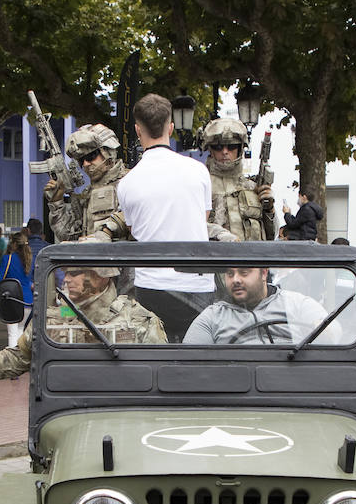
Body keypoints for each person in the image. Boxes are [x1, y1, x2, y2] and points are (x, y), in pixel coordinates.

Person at [0, 267, 166, 394]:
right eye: (66, 272)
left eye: (75, 273)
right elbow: (18, 357)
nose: (67, 279)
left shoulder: (138, 320)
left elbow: (163, 375)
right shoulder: (54, 319)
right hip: (64, 413)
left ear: (101, 276)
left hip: (122, 414)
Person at [115, 93, 231, 340]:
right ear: (171, 127)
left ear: (138, 130)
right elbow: (203, 218)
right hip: (197, 283)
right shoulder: (198, 171)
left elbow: (135, 229)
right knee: (196, 358)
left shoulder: (127, 183)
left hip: (151, 285)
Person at [183, 266, 335, 345]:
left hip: (293, 385)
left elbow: (332, 333)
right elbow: (187, 362)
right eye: (230, 274)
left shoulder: (296, 303)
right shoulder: (212, 317)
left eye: (244, 273)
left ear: (263, 273)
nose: (235, 279)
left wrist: (325, 330)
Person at [44, 124, 129, 243]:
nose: (85, 164)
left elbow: (137, 218)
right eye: (81, 160)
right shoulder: (87, 194)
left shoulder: (130, 183)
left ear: (108, 152)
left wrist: (106, 232)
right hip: (90, 259)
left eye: (91, 156)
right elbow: (68, 235)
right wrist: (56, 202)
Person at [201, 117, 274, 241]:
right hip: (212, 257)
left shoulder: (253, 187)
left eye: (231, 146)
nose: (225, 152)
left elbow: (272, 235)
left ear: (240, 149)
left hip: (252, 257)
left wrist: (269, 210)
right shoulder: (201, 185)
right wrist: (218, 234)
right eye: (218, 147)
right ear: (210, 150)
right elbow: (188, 226)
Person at [0, 231, 33, 347]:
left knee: (12, 333)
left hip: (12, 299)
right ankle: (21, 358)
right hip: (28, 300)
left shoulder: (8, 259)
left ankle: (12, 361)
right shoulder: (30, 259)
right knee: (20, 330)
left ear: (14, 244)